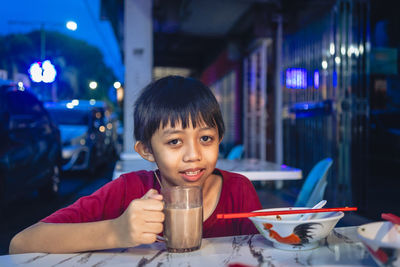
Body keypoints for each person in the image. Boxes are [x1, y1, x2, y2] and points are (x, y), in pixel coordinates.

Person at [9, 76, 262, 254]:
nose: (193, 155)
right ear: (147, 151)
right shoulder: (129, 191)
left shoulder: (238, 190)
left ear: (220, 139)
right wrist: (116, 231)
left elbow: (258, 254)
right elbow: (22, 244)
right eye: (175, 141)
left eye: (205, 138)